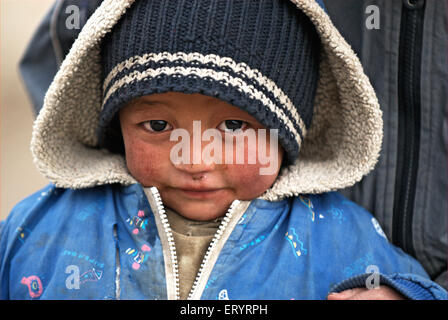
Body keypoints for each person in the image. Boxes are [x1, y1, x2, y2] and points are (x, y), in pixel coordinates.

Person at [0, 0, 446, 300]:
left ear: (286, 136)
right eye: (158, 125)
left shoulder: (343, 238)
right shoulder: (38, 229)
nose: (195, 159)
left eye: (234, 126)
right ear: (116, 125)